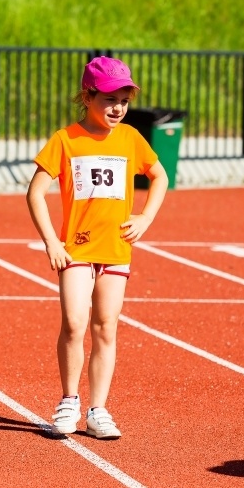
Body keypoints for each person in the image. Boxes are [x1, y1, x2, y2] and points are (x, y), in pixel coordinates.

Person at [26, 56, 168, 439]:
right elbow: (35, 192)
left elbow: (160, 176)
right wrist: (52, 241)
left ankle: (98, 410)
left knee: (106, 327)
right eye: (109, 99)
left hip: (117, 250)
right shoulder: (65, 140)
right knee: (74, 323)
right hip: (76, 250)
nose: (118, 108)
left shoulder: (130, 139)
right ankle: (68, 400)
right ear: (87, 97)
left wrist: (144, 218)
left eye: (123, 99)